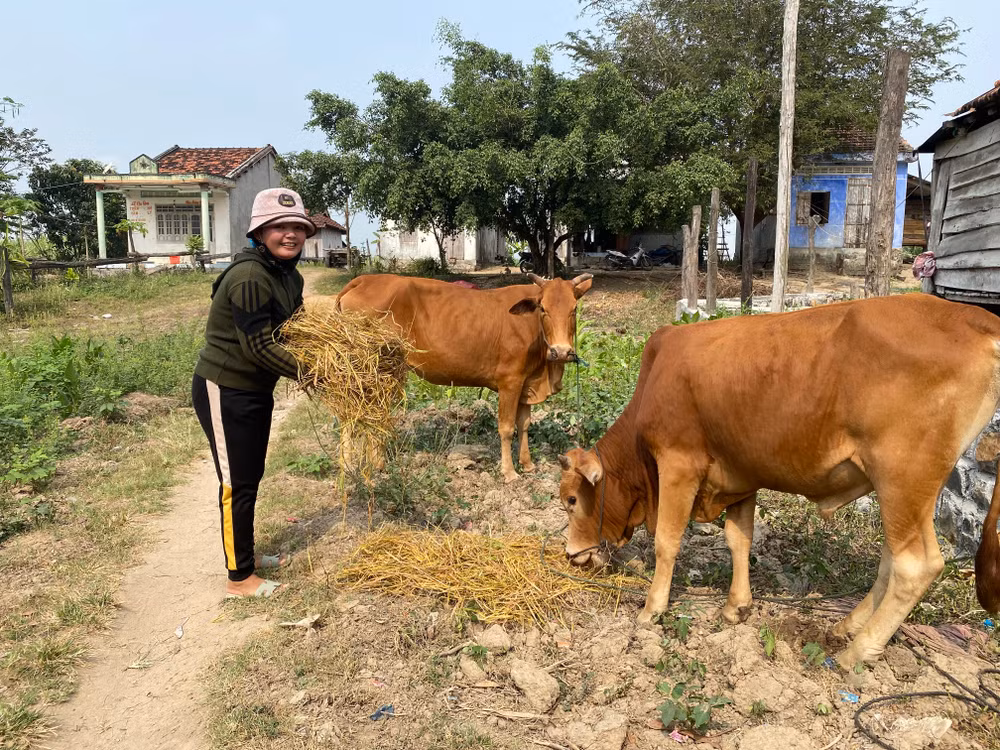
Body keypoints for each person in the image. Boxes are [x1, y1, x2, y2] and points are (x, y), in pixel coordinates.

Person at [191, 188, 316, 598]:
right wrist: (318, 373)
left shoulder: (289, 276)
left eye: (298, 226)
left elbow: (293, 331)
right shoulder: (248, 276)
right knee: (235, 482)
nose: (291, 234)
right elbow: (260, 347)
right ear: (259, 233)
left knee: (251, 475)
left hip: (255, 389)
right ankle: (239, 577)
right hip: (225, 389)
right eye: (279, 227)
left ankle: (245, 553)